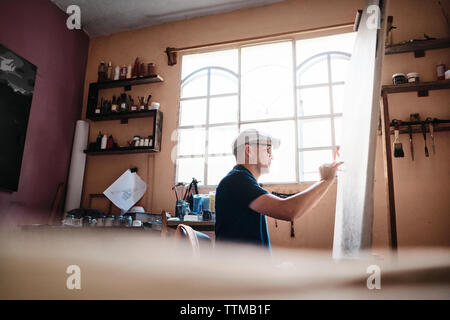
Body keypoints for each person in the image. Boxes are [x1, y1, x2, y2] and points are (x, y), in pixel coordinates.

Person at [215, 129, 342, 251]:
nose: (272, 156)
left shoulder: (241, 179)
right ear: (249, 151)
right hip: (240, 271)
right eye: (268, 149)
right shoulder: (237, 180)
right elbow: (288, 210)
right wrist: (326, 180)